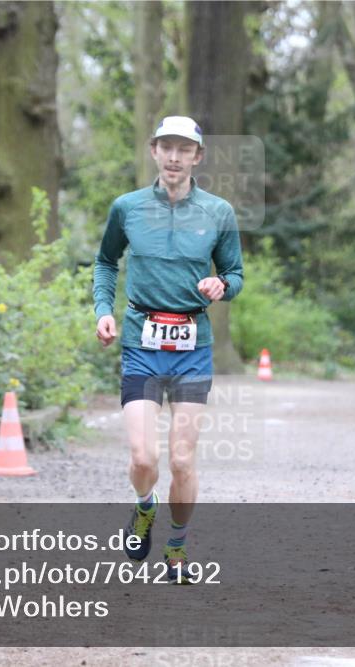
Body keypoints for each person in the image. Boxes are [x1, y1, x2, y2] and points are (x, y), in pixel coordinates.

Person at [92, 115, 244, 583]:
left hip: (192, 345)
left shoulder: (218, 212)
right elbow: (104, 261)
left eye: (184, 149)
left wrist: (222, 284)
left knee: (181, 460)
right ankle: (144, 507)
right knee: (143, 458)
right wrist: (103, 308)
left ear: (198, 156)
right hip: (141, 341)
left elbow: (236, 275)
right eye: (166, 147)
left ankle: (176, 547)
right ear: (153, 152)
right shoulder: (128, 208)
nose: (174, 157)